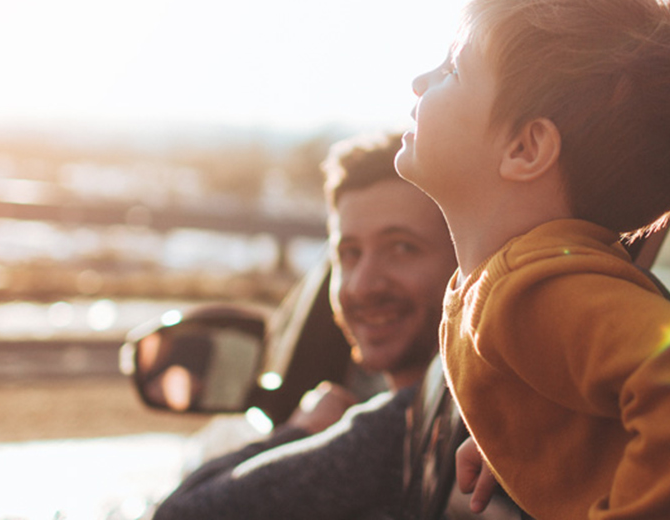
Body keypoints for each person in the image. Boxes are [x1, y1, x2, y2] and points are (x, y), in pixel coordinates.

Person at [394, 0, 670, 520]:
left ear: (526, 149)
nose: (420, 80)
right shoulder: (520, 280)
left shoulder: (534, 288)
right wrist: (528, 433)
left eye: (453, 69)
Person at [154, 132, 458, 520]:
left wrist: (302, 431)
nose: (363, 284)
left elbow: (181, 515)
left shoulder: (410, 428)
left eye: (402, 247)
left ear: (463, 263)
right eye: (348, 254)